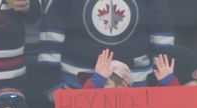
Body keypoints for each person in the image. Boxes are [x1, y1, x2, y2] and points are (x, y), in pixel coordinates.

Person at [38, 0, 174, 99]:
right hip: (77, 86)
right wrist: (53, 84)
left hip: (138, 88)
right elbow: (51, 34)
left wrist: (160, 82)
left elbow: (162, 34)